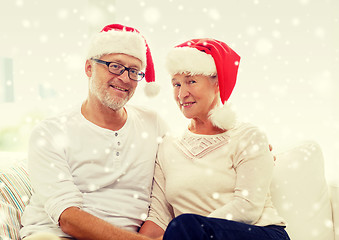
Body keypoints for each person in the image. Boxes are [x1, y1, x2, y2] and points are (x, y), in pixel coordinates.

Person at [20, 24, 168, 240]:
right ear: (89, 68)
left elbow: (161, 202)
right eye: (115, 66)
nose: (125, 78)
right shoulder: (50, 132)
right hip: (56, 235)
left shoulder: (153, 124)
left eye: (134, 71)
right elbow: (67, 217)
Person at [138, 38, 291, 240]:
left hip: (260, 233)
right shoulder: (168, 146)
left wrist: (189, 232)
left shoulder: (247, 136)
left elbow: (247, 208)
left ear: (217, 83)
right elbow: (158, 217)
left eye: (191, 81)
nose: (182, 93)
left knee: (185, 225)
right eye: (176, 84)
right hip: (188, 235)